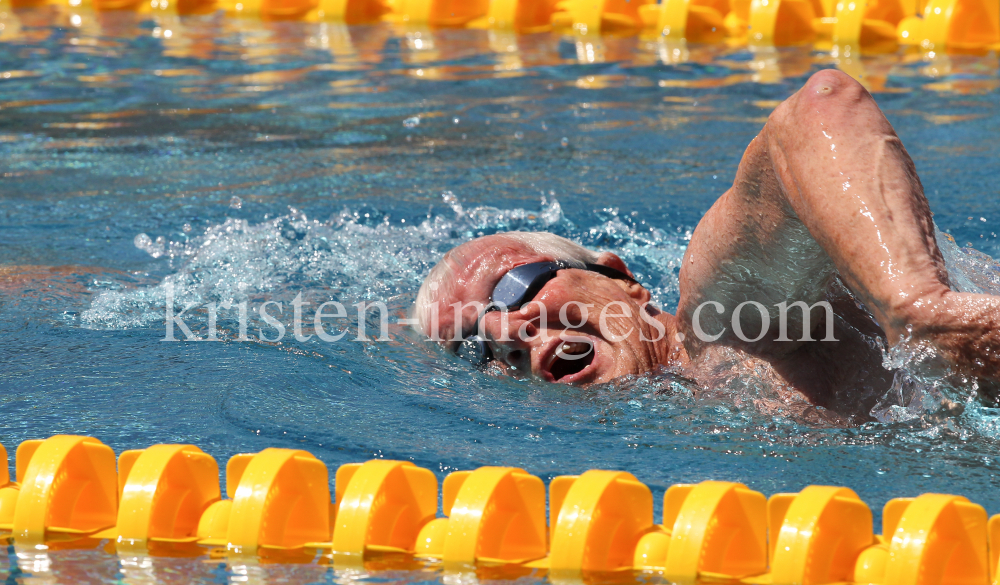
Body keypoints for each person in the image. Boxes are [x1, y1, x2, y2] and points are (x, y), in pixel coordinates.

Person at [415, 69, 1000, 422]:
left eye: (513, 286)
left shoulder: (727, 313)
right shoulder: (695, 416)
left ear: (622, 279)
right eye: (471, 348)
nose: (502, 333)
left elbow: (820, 105)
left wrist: (921, 312)